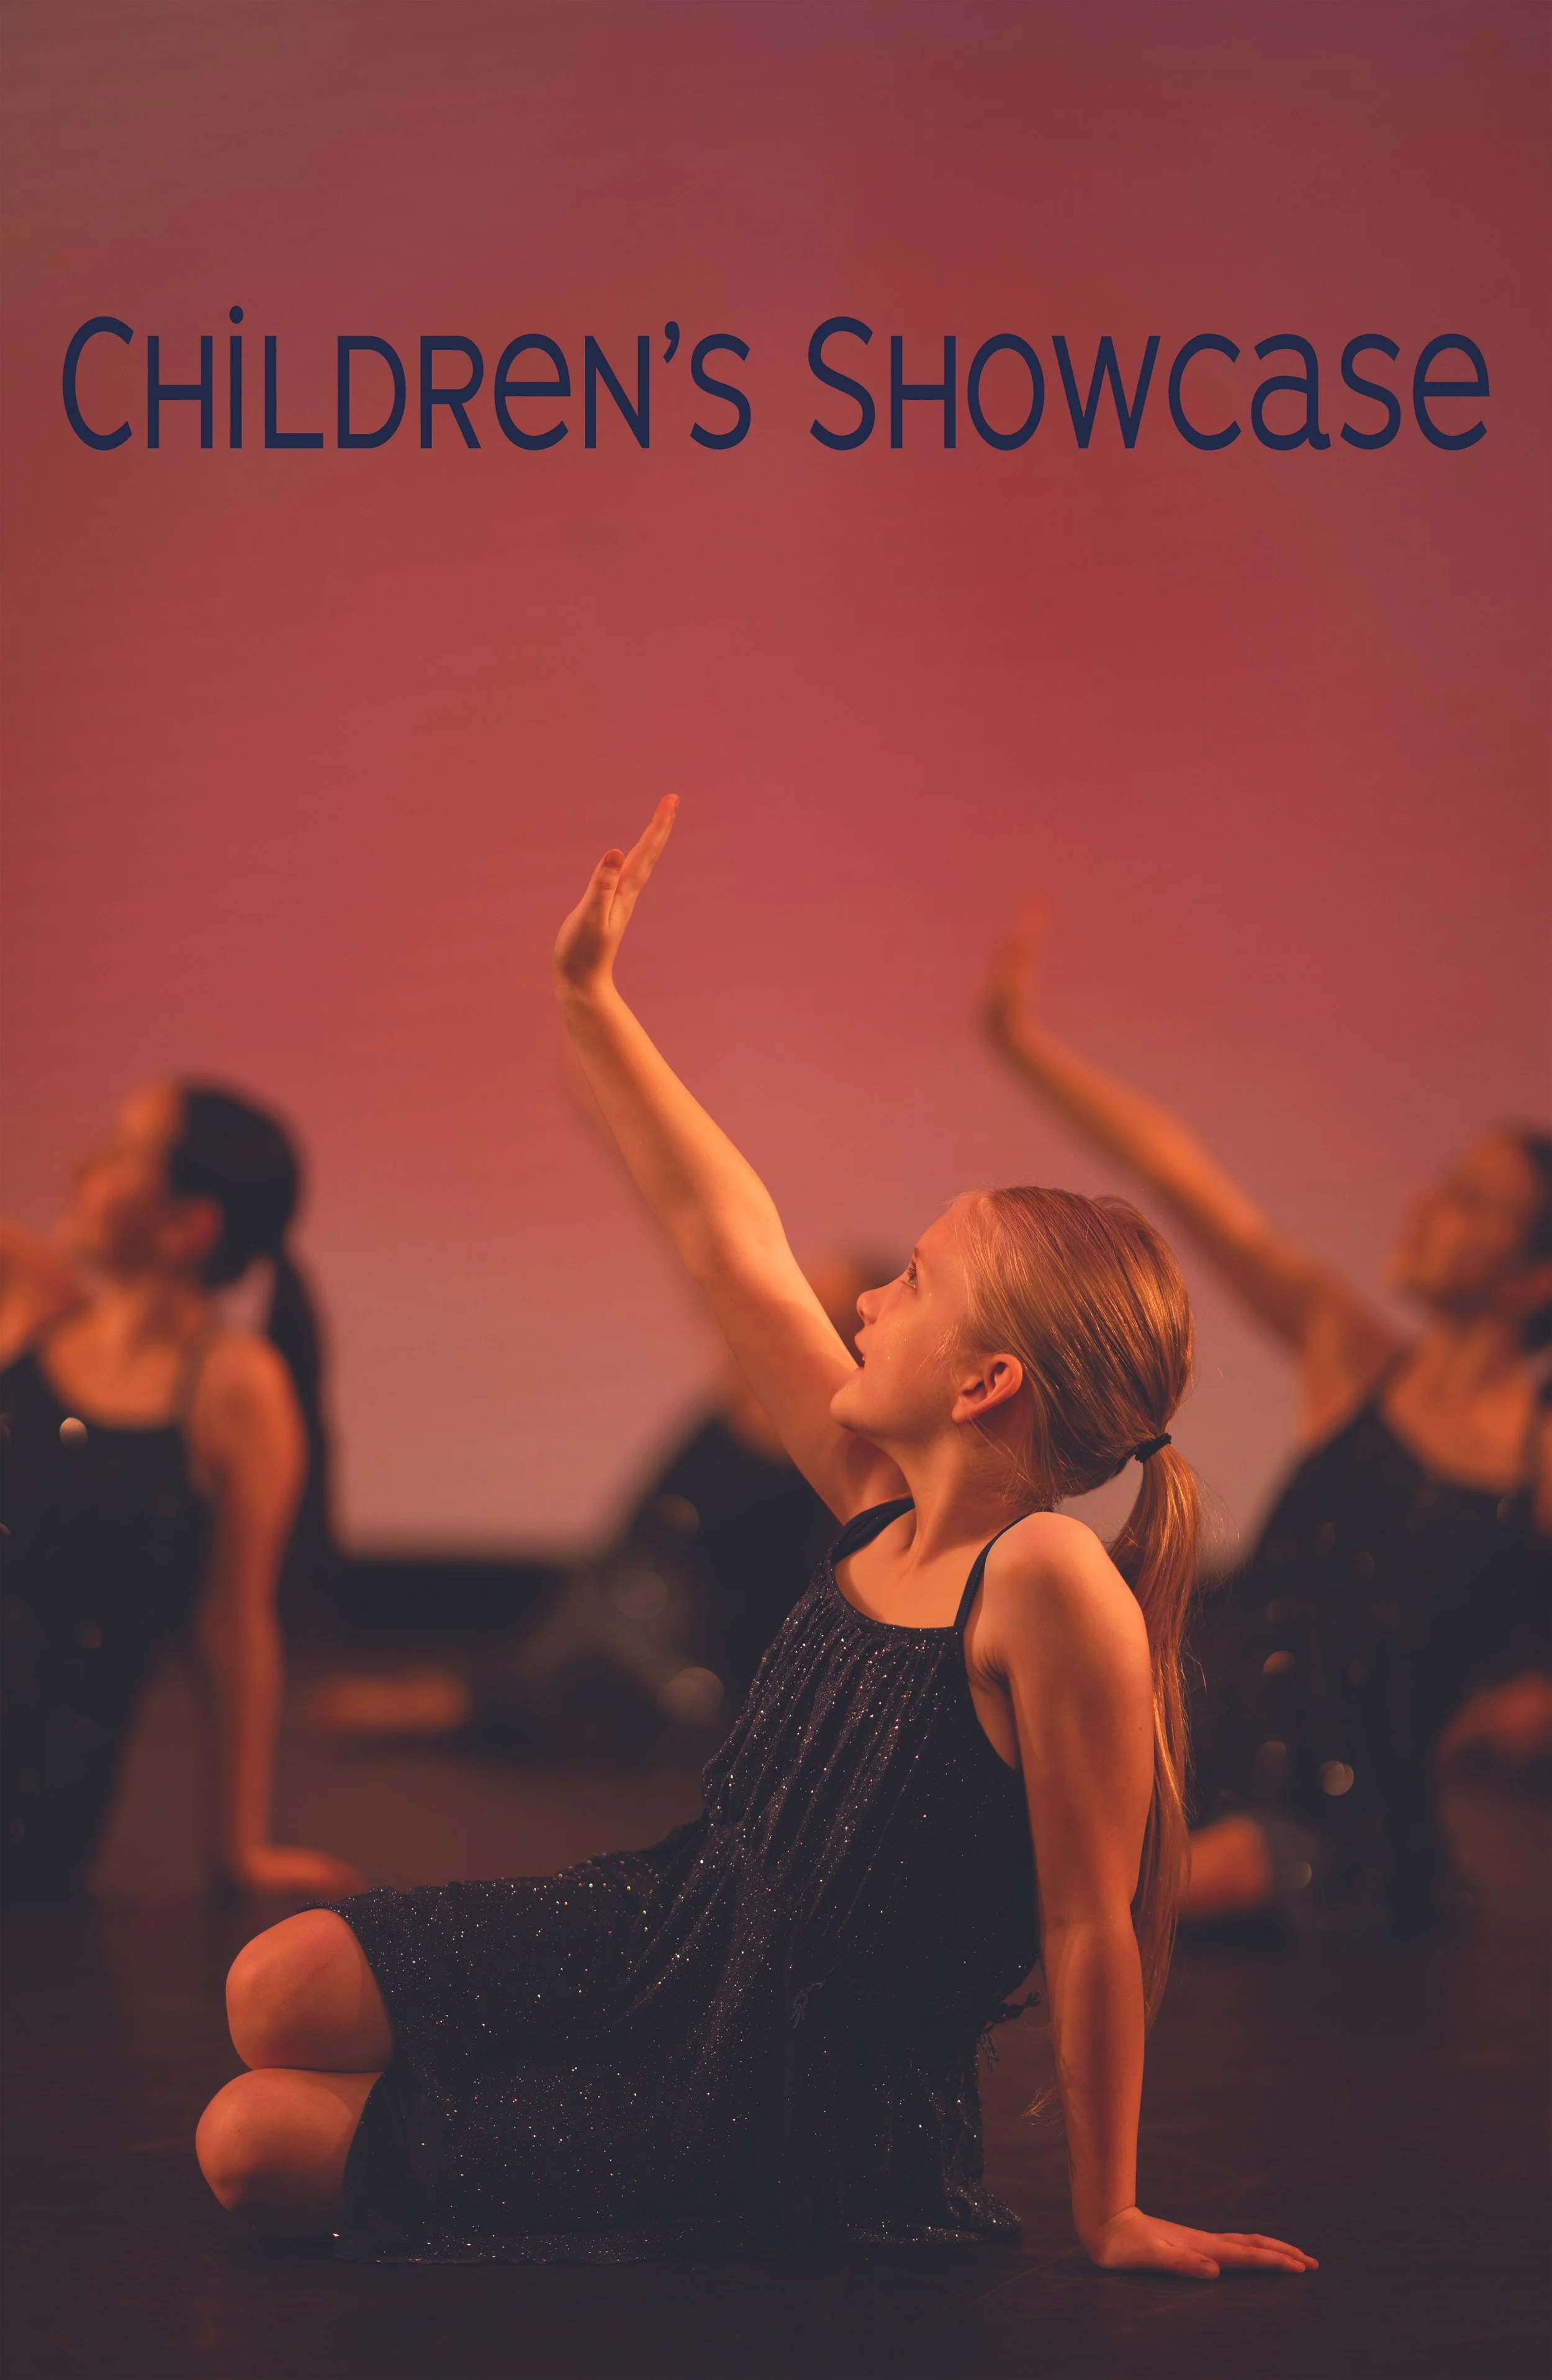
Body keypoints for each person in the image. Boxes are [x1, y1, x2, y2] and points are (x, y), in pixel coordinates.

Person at [195, 802, 1312, 2283]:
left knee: (250, 2139)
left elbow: (1087, 1923)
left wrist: (1110, 2209)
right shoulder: (873, 1494)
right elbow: (727, 1231)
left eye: (910, 1284)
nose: (865, 1301)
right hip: (677, 1929)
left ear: (985, 1382)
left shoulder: (1045, 1581)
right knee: (276, 1983)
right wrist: (593, 999)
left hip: (781, 2087)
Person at [980, 911, 1552, 1935]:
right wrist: (1021, 1044)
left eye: (1469, 1200)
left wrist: (1510, 1711)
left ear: (1531, 1278)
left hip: (1336, 1827)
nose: (1427, 1205)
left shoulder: (1535, 1452)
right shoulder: (1351, 1353)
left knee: (1107, 1899)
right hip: (1206, 1741)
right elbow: (1181, 1176)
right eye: (1443, 1181)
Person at [302, 1254, 896, 1757]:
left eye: (817, 1299)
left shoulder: (827, 1433)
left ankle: (446, 1706)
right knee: (587, 1639)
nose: (796, 1300)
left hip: (705, 1638)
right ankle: (456, 1700)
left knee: (590, 1675)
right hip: (644, 1600)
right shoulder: (744, 1396)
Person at [0, 1082, 362, 1901]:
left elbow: (233, 1625)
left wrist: (239, 1849)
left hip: (29, 1791)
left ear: (187, 1225)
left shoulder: (234, 1387)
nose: (83, 1166)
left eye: (122, 1153)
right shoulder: (34, 1303)